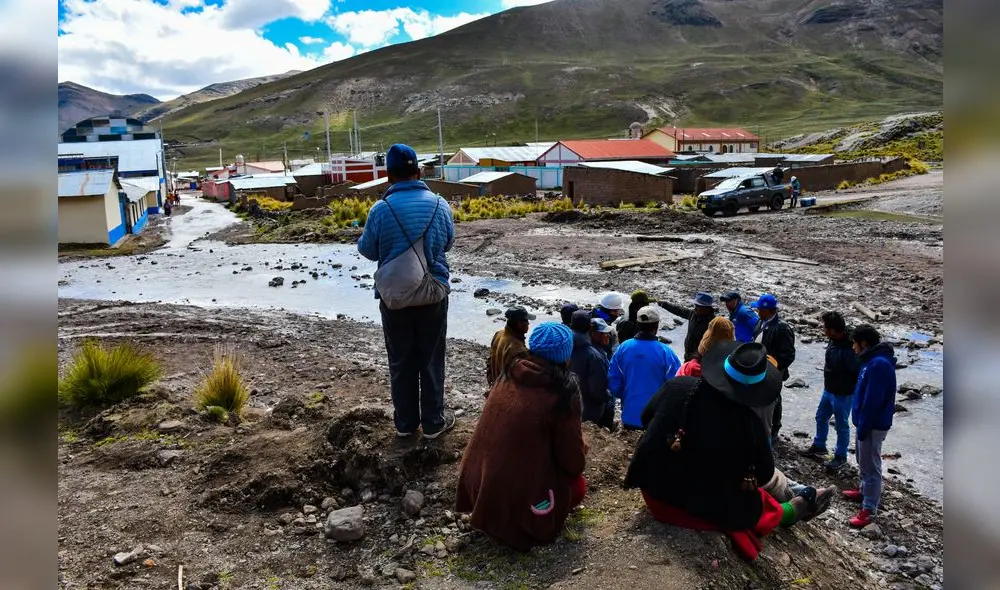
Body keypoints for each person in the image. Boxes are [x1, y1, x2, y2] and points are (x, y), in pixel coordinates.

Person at [625, 341, 836, 562]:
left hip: (654, 491)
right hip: (690, 509)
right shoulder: (749, 426)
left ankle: (796, 506)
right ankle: (792, 510)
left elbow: (646, 418)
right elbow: (763, 474)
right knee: (750, 499)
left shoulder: (677, 387)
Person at [456, 322, 588, 551]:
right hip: (514, 503)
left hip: (475, 486)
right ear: (565, 356)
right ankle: (522, 521)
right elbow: (573, 461)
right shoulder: (562, 392)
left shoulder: (509, 372)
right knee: (577, 486)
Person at [358, 143, 456, 439]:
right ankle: (433, 424)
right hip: (433, 294)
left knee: (400, 360)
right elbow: (448, 243)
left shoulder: (380, 210)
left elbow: (368, 250)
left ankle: (405, 425)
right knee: (431, 359)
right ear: (418, 171)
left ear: (389, 176)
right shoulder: (440, 204)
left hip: (394, 297)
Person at [843, 324, 896, 528]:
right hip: (865, 422)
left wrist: (864, 425)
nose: (853, 348)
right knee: (862, 459)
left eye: (854, 343)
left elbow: (873, 399)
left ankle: (869, 509)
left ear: (864, 343)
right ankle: (864, 491)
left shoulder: (879, 364)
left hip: (873, 423)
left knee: (871, 464)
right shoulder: (870, 361)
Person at [802, 311, 861, 471]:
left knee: (841, 425)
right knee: (821, 416)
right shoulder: (834, 340)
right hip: (829, 388)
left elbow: (855, 369)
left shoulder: (850, 347)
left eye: (825, 327)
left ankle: (841, 456)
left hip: (843, 392)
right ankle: (820, 444)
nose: (823, 330)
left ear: (833, 330)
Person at [609, 306, 681, 430]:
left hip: (629, 416)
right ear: (657, 326)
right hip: (655, 419)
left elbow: (614, 382)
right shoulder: (666, 353)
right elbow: (676, 385)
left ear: (638, 325)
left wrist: (626, 396)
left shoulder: (623, 348)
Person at [751, 294, 795, 440]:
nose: (757, 312)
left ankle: (774, 428)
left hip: (773, 371)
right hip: (760, 369)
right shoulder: (761, 322)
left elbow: (789, 355)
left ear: (768, 310)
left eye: (759, 309)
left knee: (774, 399)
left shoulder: (782, 328)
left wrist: (774, 367)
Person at [569, 311, 615, 430]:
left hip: (571, 406)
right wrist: (608, 396)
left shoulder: (566, 347)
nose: (608, 335)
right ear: (591, 332)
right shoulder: (595, 356)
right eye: (603, 333)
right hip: (591, 410)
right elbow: (598, 390)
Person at [487, 306, 532, 386]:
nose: (528, 323)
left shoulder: (499, 334)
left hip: (496, 385)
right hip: (506, 389)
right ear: (518, 323)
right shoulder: (518, 349)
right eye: (525, 320)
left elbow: (490, 362)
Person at [683, 292, 717, 362]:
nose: (695, 307)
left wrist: (696, 357)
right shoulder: (693, 314)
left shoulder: (713, 323)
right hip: (688, 355)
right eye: (695, 305)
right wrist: (664, 304)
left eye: (697, 306)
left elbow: (710, 345)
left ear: (706, 308)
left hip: (699, 360)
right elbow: (680, 311)